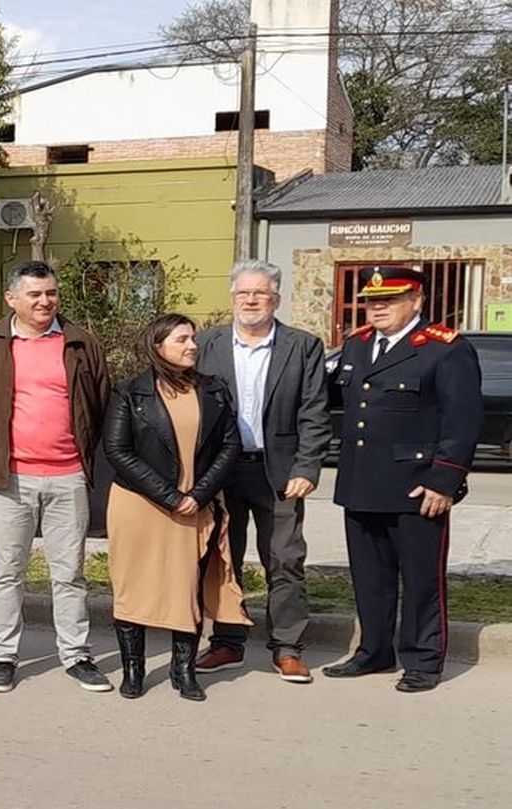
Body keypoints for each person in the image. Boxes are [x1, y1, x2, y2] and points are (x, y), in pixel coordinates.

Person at [323, 265, 482, 693]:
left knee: (421, 579)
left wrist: (444, 482)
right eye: (372, 302)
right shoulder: (356, 346)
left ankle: (423, 660)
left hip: (417, 485)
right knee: (369, 577)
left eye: (388, 301)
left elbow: (462, 423)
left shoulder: (443, 349)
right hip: (361, 481)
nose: (377, 309)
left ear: (416, 301)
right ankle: (374, 651)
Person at [0, 261, 111, 694]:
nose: (45, 301)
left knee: (69, 573)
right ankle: (3, 656)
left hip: (68, 476)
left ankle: (76, 654)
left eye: (50, 293)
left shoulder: (80, 343)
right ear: (11, 299)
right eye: (34, 294)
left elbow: (100, 402)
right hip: (10, 478)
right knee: (7, 571)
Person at [194, 260, 331, 684]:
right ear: (232, 298)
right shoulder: (206, 344)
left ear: (276, 298)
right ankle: (227, 642)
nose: (250, 301)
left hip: (280, 472)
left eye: (260, 293)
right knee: (223, 559)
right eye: (243, 293)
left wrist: (307, 466)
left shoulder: (302, 346)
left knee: (285, 559)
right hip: (223, 471)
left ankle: (287, 647)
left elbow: (314, 412)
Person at [103, 314, 248, 702]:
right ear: (158, 346)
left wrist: (198, 495)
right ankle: (133, 670)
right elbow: (117, 451)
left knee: (187, 588)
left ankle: (183, 671)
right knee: (134, 587)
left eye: (193, 338)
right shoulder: (130, 392)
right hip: (139, 506)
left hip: (195, 506)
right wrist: (169, 496)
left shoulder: (214, 390)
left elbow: (229, 447)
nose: (192, 345)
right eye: (182, 339)